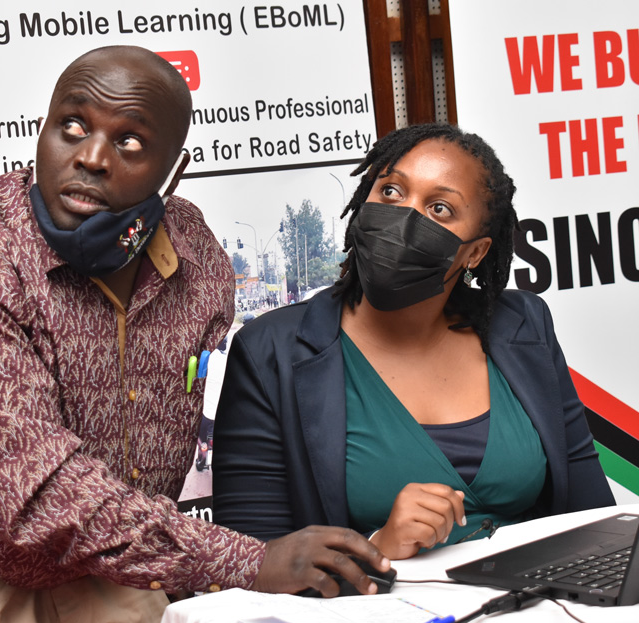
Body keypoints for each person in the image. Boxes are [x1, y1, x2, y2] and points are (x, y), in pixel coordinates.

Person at [0, 45, 389, 623]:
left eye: (129, 141)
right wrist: (247, 560)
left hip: (101, 553)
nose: (92, 157)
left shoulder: (197, 257)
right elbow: (36, 499)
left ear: (172, 170)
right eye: (71, 127)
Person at [212, 123, 615, 561]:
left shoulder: (523, 326)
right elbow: (249, 564)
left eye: (439, 209)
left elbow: (592, 515)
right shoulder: (271, 351)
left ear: (475, 253)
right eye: (391, 192)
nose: (405, 217)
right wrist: (375, 548)